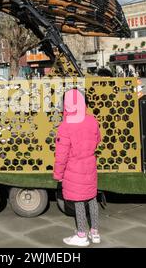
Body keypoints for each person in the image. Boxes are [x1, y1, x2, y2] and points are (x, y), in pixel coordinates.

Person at [53, 89, 102, 247]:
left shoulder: (65, 126)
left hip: (74, 167)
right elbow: (97, 140)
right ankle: (94, 233)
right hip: (90, 164)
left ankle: (81, 235)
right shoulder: (92, 120)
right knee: (92, 199)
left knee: (79, 201)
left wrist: (58, 174)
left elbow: (61, 154)